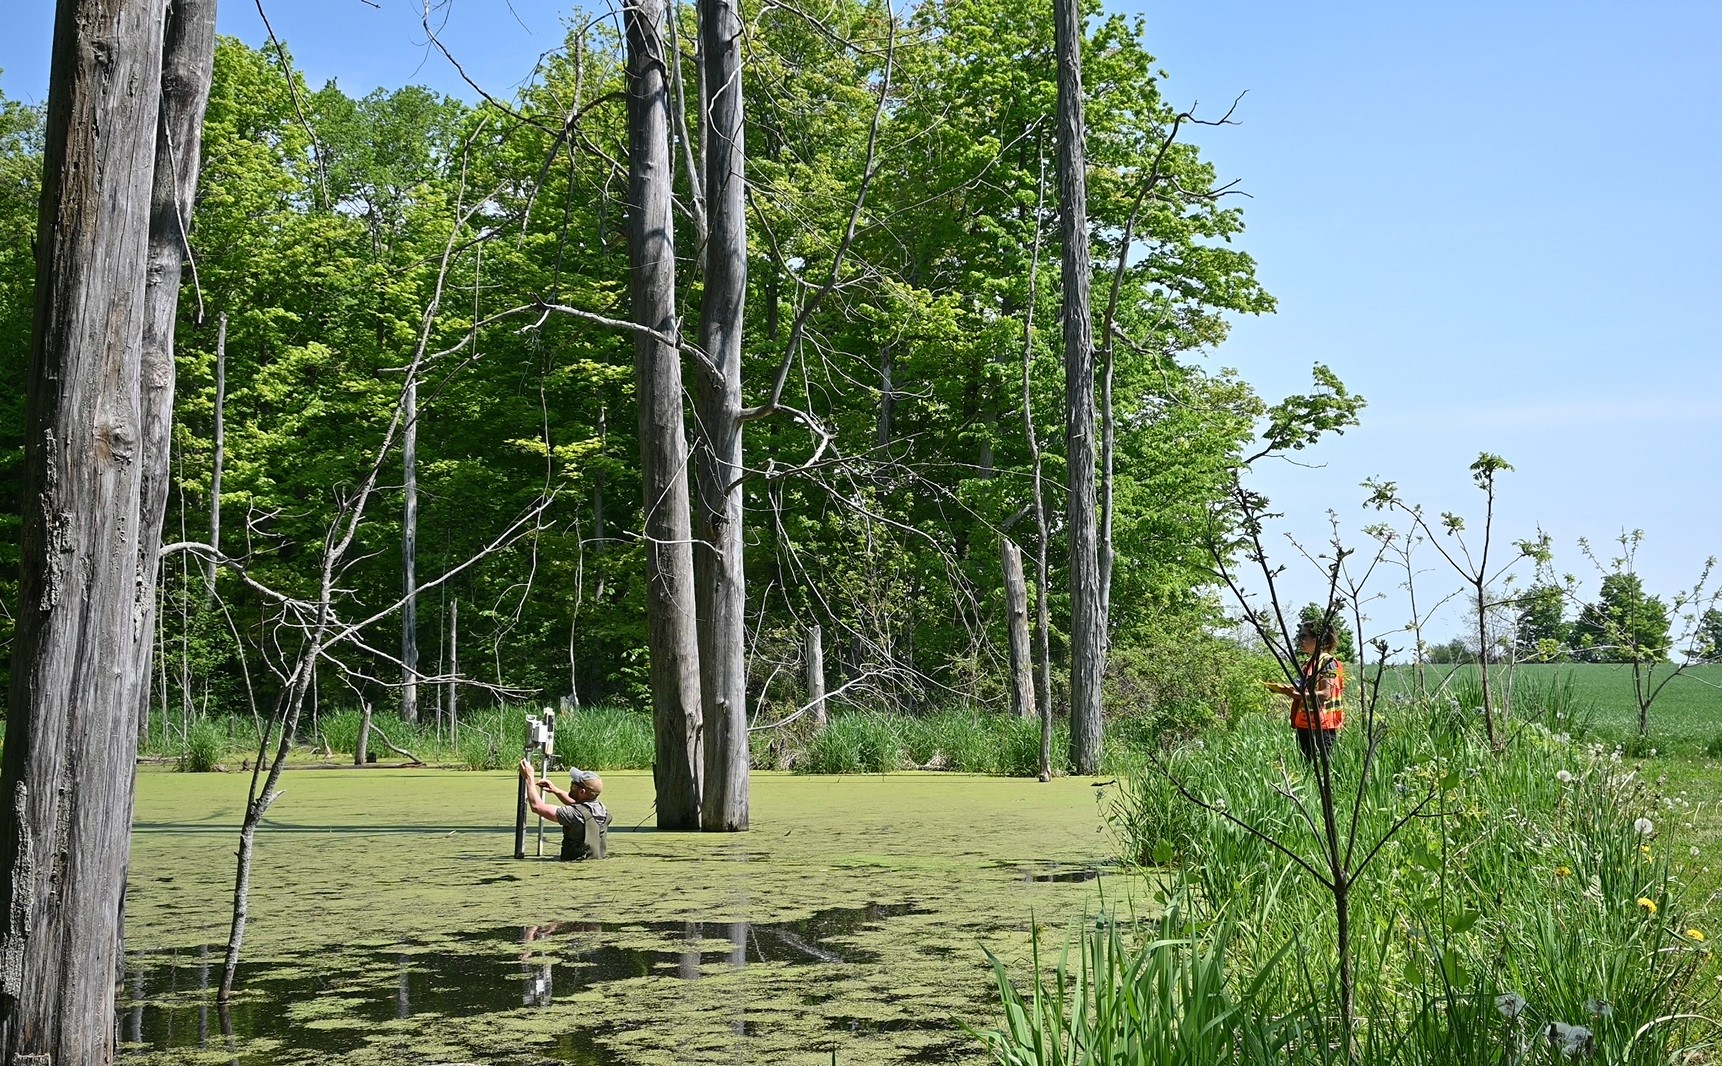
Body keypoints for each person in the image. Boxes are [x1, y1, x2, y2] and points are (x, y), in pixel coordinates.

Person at [1265, 618, 1346, 762]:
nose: (1300, 640)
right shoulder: (1309, 664)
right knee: (1307, 767)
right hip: (1305, 724)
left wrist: (1298, 694)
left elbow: (1325, 694)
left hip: (1323, 726)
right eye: (1299, 636)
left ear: (1318, 638)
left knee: (1321, 767)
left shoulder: (1327, 663)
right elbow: (1302, 689)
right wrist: (1285, 690)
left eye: (1304, 636)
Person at [520, 759, 610, 860]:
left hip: (575, 868)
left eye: (574, 785)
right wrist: (556, 790)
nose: (571, 786)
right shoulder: (602, 809)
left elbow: (537, 807)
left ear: (582, 792)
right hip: (593, 865)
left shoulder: (573, 815)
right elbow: (580, 807)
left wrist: (529, 778)